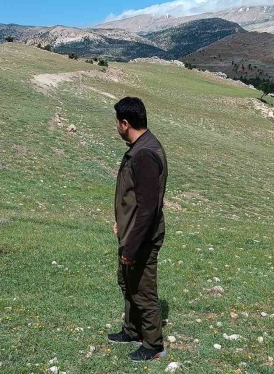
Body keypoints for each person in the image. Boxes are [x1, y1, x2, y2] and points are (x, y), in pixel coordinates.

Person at [108, 97, 169, 361]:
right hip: (131, 231)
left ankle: (153, 344)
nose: (116, 127)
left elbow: (147, 209)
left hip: (141, 237)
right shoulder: (141, 146)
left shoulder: (144, 154)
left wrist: (131, 247)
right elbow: (135, 198)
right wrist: (121, 221)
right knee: (128, 283)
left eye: (117, 123)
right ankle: (132, 330)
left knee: (143, 291)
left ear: (125, 123)